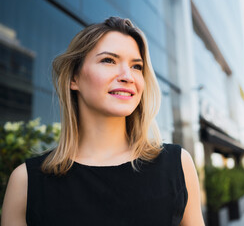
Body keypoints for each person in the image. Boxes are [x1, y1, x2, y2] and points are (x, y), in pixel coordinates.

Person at [2, 17, 205, 226]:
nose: (128, 76)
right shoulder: (26, 182)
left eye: (136, 66)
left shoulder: (177, 165)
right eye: (109, 60)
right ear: (74, 78)